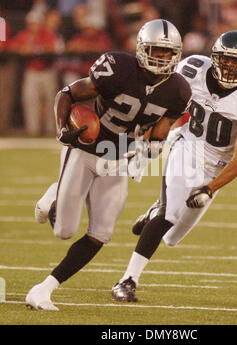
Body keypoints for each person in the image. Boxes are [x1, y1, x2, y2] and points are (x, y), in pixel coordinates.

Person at [25, 19, 192, 311]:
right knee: (63, 230)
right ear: (142, 49)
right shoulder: (118, 67)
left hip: (118, 159)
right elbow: (67, 94)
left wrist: (152, 146)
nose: (161, 58)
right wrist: (61, 128)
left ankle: (44, 289)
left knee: (101, 233)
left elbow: (161, 129)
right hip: (86, 149)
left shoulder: (177, 90)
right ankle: (54, 193)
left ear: (176, 55)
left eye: (167, 53)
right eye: (156, 51)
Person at [111, 30, 237, 303]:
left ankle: (158, 208)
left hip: (217, 165)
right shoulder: (192, 69)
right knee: (171, 214)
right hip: (187, 146)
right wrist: (148, 138)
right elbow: (168, 103)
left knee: (172, 238)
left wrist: (210, 188)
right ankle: (127, 280)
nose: (231, 66)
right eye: (226, 60)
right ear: (214, 58)